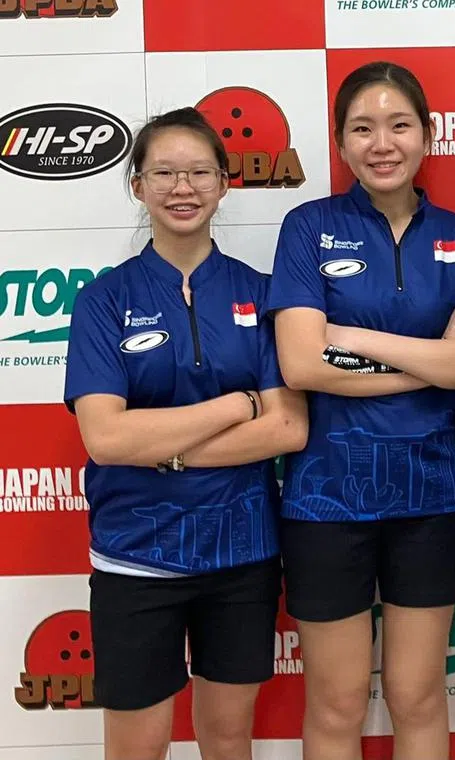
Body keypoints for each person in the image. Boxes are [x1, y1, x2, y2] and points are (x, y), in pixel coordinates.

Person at [63, 107, 309, 760]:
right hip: (134, 555)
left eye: (200, 171)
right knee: (137, 746)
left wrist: (163, 448)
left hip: (242, 553)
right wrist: (234, 407)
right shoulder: (103, 301)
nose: (183, 187)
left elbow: (286, 425)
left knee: (228, 739)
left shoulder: (261, 295)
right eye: (164, 172)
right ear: (137, 184)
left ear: (225, 184)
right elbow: (107, 439)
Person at [266, 61, 455, 760]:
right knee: (336, 701)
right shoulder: (307, 226)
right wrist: (428, 362)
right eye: (362, 128)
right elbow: (301, 364)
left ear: (427, 137)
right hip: (326, 497)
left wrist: (350, 340)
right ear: (340, 142)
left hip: (429, 491)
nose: (381, 143)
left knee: (418, 695)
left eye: (398, 125)